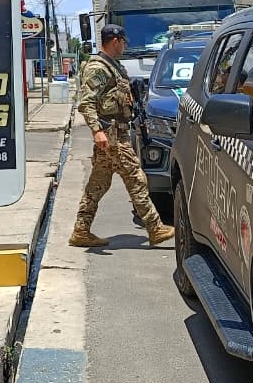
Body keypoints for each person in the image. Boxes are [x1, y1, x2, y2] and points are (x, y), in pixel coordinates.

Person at [69, 24, 175, 248]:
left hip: (116, 134)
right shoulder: (99, 68)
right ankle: (155, 228)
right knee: (136, 179)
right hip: (112, 136)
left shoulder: (113, 67)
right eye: (124, 42)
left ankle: (81, 230)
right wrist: (97, 131)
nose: (125, 46)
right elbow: (86, 102)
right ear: (115, 41)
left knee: (98, 184)